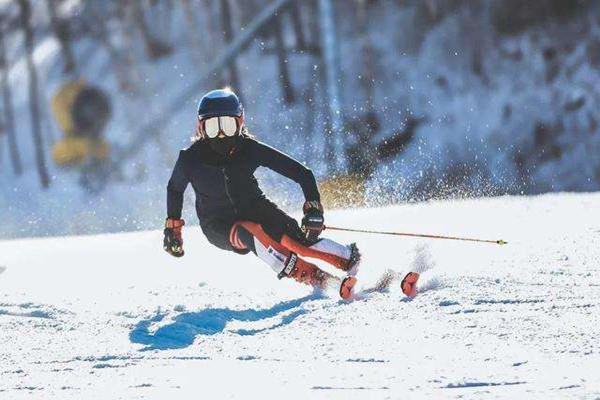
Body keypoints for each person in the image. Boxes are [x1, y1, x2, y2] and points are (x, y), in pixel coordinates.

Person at [163, 88, 361, 299]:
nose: (221, 134)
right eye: (213, 127)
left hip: (257, 208)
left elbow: (302, 174)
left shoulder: (249, 149)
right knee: (249, 232)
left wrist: (313, 208)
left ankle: (352, 260)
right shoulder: (190, 159)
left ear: (240, 123)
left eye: (227, 126)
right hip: (218, 224)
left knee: (298, 241)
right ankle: (317, 278)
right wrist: (173, 228)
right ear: (201, 127)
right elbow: (175, 188)